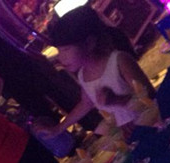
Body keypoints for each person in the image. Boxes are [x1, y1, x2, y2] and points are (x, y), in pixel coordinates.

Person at [38, 6, 156, 138]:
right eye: (59, 51)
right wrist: (58, 129)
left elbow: (150, 96)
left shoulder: (119, 61)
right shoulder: (83, 75)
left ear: (90, 43)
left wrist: (117, 100)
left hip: (153, 124)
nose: (60, 57)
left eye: (66, 50)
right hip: (133, 136)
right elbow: (86, 103)